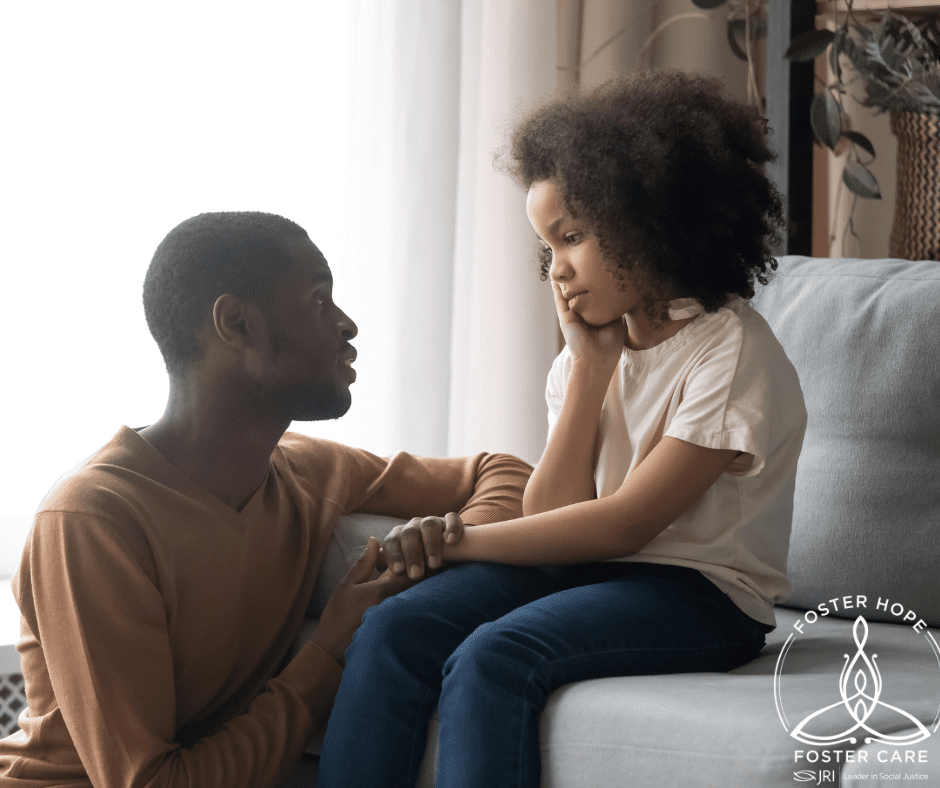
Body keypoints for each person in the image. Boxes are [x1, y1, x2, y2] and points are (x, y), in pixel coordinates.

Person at [316, 69, 808, 788]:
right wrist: (587, 372)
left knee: (494, 656)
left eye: (571, 237)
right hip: (592, 572)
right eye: (547, 249)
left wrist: (458, 542)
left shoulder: (728, 350)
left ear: (648, 219)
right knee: (392, 628)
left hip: (700, 596)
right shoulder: (587, 360)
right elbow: (554, 515)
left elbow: (623, 525)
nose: (557, 272)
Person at [0, 211, 532, 788]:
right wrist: (329, 649)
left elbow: (501, 471)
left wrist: (456, 548)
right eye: (319, 300)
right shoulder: (93, 520)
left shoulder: (309, 470)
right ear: (237, 324)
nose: (347, 325)